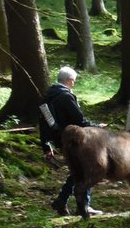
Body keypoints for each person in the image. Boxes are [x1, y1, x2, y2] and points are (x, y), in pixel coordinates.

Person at [39, 66, 99, 216]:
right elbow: (80, 120)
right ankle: (84, 204)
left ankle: (61, 200)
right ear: (69, 80)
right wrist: (98, 127)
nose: (74, 83)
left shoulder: (48, 95)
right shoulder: (66, 97)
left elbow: (43, 122)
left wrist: (46, 144)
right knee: (87, 168)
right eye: (74, 81)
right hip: (74, 139)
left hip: (60, 140)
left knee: (78, 169)